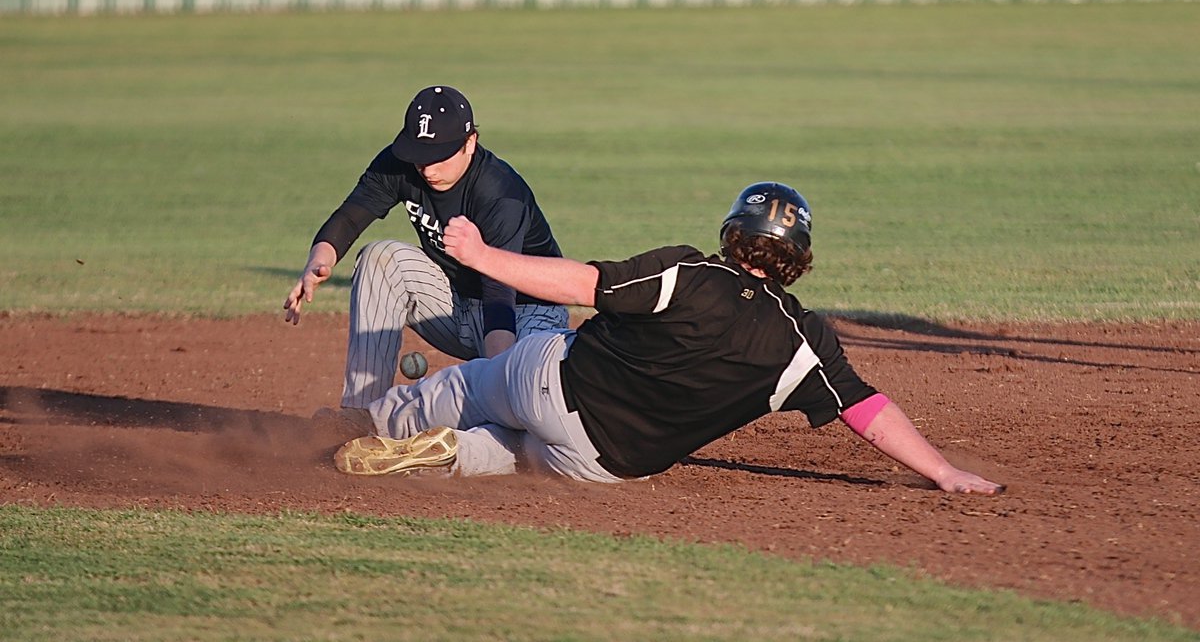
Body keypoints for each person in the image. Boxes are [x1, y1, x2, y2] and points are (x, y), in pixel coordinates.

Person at [326, 181, 1005, 495]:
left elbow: (580, 284)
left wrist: (482, 257)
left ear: (734, 234)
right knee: (519, 456)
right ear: (797, 258)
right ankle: (453, 455)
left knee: (468, 385)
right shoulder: (805, 343)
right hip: (608, 463)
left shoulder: (688, 272)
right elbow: (864, 407)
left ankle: (375, 421)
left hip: (552, 384)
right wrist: (944, 472)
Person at [284, 85, 568, 409]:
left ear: (470, 142)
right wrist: (318, 261)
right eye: (419, 155)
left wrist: (495, 387)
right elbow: (350, 217)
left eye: (439, 157)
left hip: (524, 313)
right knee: (381, 258)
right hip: (457, 305)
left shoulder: (500, 192)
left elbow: (499, 294)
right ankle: (359, 414)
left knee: (517, 409)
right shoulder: (402, 164)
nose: (427, 169)